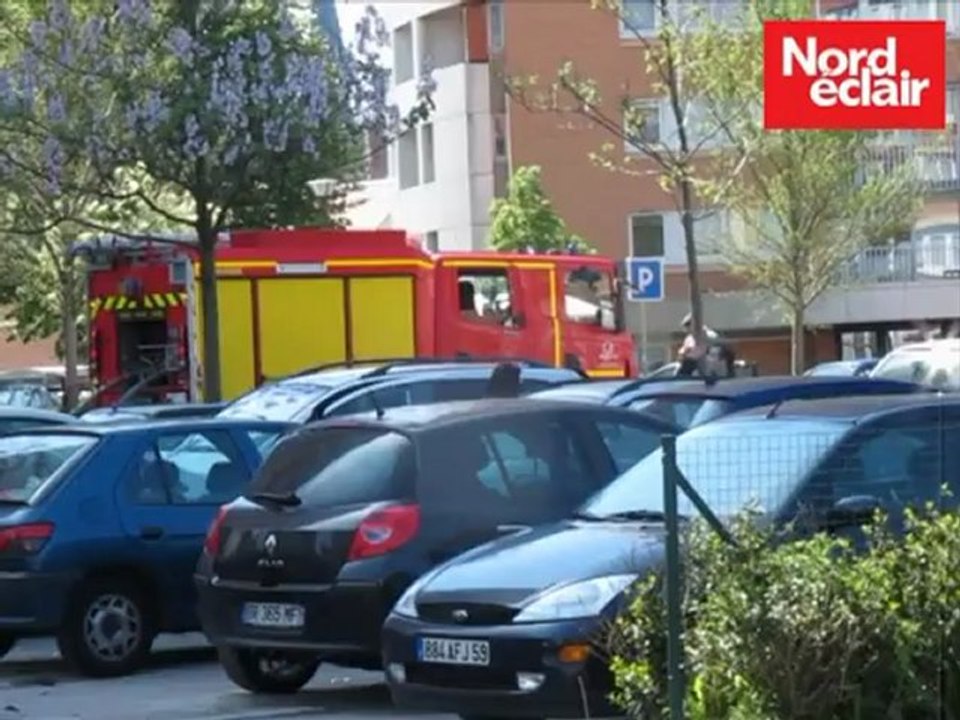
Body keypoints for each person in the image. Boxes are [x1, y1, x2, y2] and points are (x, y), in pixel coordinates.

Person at [678, 314, 735, 378]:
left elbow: (721, 349)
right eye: (686, 327)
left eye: (688, 325)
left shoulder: (710, 336)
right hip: (696, 371)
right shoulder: (689, 338)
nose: (687, 329)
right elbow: (683, 352)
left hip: (711, 371)